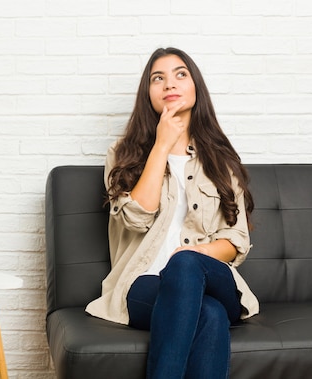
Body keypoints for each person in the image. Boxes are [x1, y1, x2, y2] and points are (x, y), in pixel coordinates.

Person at [85, 47, 260, 379]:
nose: (169, 84)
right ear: (147, 93)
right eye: (158, 78)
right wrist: (162, 146)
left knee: (185, 263)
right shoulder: (122, 154)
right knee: (209, 315)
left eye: (180, 74)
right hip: (144, 284)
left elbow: (236, 241)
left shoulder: (221, 161)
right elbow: (136, 217)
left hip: (212, 277)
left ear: (196, 87)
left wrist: (196, 253)